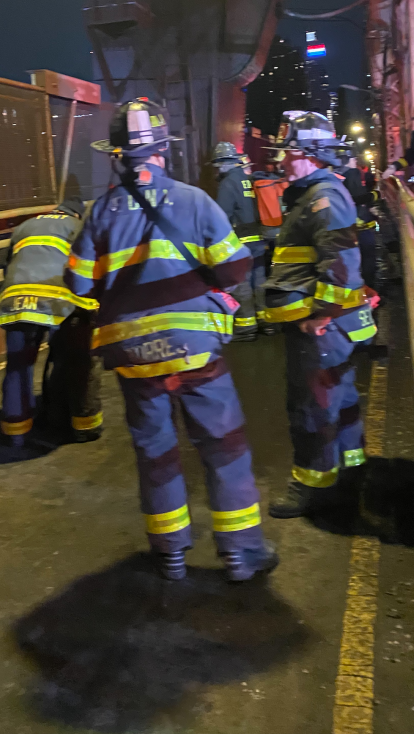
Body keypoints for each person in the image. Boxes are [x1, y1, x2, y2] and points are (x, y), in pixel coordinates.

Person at [65, 97, 278, 582]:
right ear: (164, 150)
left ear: (117, 155)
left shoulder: (99, 213)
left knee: (156, 451)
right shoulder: (195, 200)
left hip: (135, 357)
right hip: (194, 348)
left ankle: (171, 554)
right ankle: (241, 554)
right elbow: (235, 267)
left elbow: (77, 284)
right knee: (223, 447)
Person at [264, 111, 377, 519]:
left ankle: (313, 487)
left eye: (288, 152)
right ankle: (350, 475)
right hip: (335, 327)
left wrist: (320, 315)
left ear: (310, 154)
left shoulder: (322, 199)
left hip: (324, 329)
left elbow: (340, 263)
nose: (281, 161)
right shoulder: (316, 195)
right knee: (341, 400)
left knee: (313, 408)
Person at [0, 195, 103, 450]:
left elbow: (9, 266)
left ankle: (16, 431)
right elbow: (87, 266)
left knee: (18, 366)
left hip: (15, 299)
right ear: (76, 215)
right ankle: (84, 425)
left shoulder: (25, 226)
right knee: (77, 360)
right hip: (60, 298)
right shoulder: (77, 227)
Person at [210, 143, 272, 340]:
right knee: (259, 282)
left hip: (241, 242)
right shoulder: (246, 179)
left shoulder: (228, 183)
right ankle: (266, 321)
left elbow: (222, 217)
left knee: (241, 283)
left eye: (218, 165)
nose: (217, 170)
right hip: (258, 239)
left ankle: (246, 325)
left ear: (223, 163)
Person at [341, 154, 379, 289]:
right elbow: (358, 198)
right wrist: (375, 195)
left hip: (346, 228)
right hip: (360, 229)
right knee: (367, 260)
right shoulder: (352, 174)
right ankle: (369, 290)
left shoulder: (335, 176)